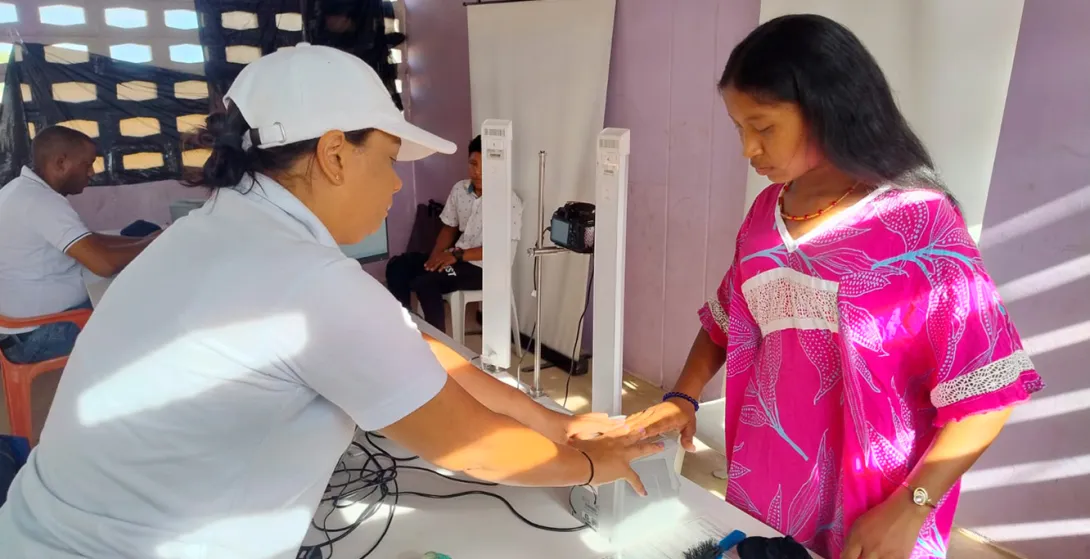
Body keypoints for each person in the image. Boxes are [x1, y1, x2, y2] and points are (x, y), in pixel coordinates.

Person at [0, 44, 656, 559]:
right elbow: (472, 447)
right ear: (335, 154)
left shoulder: (208, 231)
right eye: (390, 159)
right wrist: (593, 465)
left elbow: (419, 347)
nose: (396, 185)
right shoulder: (307, 279)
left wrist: (553, 423)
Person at [623, 15, 1042, 559]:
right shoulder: (764, 216)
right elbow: (728, 318)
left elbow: (987, 388)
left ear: (827, 108)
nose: (748, 149)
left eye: (764, 127)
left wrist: (911, 506)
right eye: (739, 127)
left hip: (878, 510)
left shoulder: (918, 224)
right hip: (766, 491)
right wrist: (683, 397)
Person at [0, 126, 158, 364]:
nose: (92, 172)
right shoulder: (40, 201)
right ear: (61, 163)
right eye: (88, 164)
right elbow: (103, 264)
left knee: (138, 241)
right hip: (39, 335)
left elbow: (88, 240)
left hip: (29, 329)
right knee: (150, 313)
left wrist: (145, 241)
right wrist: (157, 244)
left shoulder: (22, 190)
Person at [386, 135, 523, 330]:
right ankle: (405, 327)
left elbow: (499, 250)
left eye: (484, 165)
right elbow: (449, 227)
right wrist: (435, 257)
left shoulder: (508, 201)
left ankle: (438, 343)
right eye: (473, 164)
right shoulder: (460, 189)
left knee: (425, 283)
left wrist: (456, 256)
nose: (477, 171)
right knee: (397, 266)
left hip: (485, 269)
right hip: (458, 258)